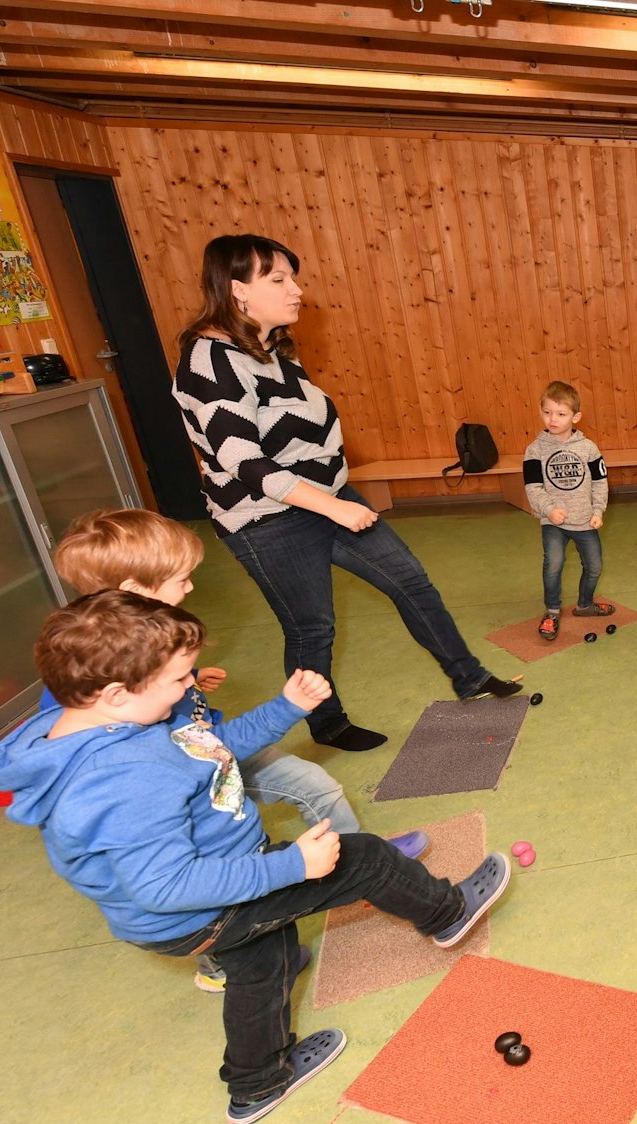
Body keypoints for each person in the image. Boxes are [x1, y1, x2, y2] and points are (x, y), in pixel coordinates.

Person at [0, 592, 511, 1123]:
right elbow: (165, 885)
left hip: (195, 904)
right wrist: (292, 867)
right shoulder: (124, 776)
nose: (190, 687)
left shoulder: (104, 727)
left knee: (261, 959)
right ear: (115, 692)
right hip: (199, 906)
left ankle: (257, 1086)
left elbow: (213, 747)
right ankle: (447, 913)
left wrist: (287, 708)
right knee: (364, 857)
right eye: (178, 680)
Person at [46, 507, 431, 992]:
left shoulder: (150, 630)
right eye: (181, 578)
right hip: (187, 772)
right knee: (214, 863)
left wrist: (189, 687)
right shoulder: (95, 674)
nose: (189, 588)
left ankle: (359, 862)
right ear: (135, 587)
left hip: (212, 749)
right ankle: (219, 959)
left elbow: (160, 702)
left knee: (313, 785)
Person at [171, 234, 519, 754]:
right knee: (312, 628)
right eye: (279, 279)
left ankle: (468, 679)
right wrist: (333, 505)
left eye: (293, 276)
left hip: (328, 497)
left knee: (412, 583)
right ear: (238, 290)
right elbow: (240, 460)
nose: (297, 290)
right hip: (268, 521)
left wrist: (335, 492)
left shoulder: (270, 353)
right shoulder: (210, 359)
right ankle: (328, 725)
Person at [523, 379, 611, 640]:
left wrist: (598, 511)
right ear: (541, 412)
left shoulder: (588, 448)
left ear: (576, 416)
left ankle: (585, 604)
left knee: (594, 566)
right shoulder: (534, 451)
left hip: (585, 520)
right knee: (554, 565)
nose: (553, 419)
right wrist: (549, 510)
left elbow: (600, 481)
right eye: (548, 412)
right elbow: (533, 487)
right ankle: (551, 612)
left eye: (561, 414)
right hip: (554, 523)